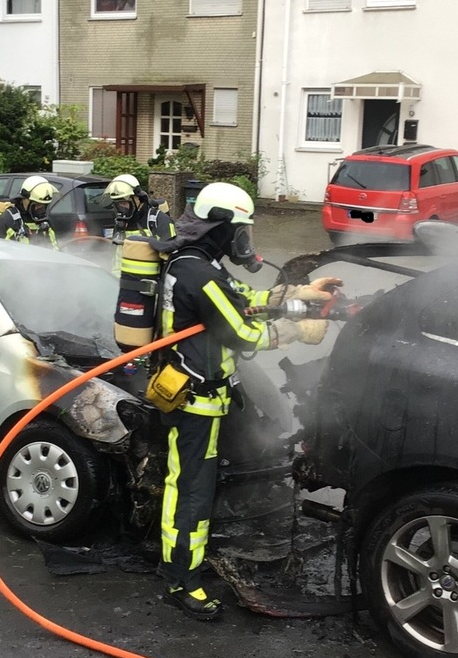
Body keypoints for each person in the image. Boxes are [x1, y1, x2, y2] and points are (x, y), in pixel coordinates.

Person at [151, 182, 339, 620]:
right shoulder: (201, 274)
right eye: (242, 230)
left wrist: (299, 295)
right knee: (191, 495)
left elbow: (242, 300)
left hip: (199, 397)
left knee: (190, 489)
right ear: (222, 227)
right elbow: (242, 332)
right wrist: (296, 331)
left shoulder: (197, 263)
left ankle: (179, 569)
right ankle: (183, 582)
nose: (246, 241)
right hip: (196, 404)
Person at [105, 173, 175, 274]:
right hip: (123, 285)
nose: (122, 208)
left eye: (125, 203)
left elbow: (170, 259)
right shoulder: (121, 225)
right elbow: (115, 259)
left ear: (138, 198)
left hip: (149, 286)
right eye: (118, 205)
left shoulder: (159, 221)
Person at [0, 175, 60, 250]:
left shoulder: (45, 223)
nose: (40, 209)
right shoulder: (6, 221)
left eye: (44, 205)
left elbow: (54, 250)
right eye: (37, 204)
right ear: (24, 199)